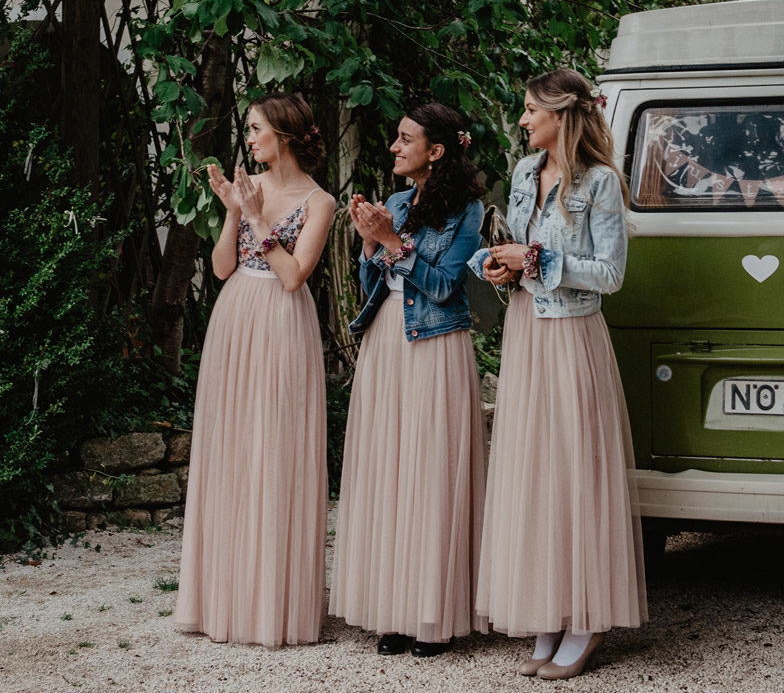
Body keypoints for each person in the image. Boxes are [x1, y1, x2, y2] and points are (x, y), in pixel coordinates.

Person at [471, 68, 648, 679]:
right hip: (526, 332)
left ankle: (588, 618)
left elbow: (610, 275)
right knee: (532, 466)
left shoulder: (600, 184)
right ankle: (547, 604)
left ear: (561, 115)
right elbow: (514, 248)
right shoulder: (523, 174)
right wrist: (502, 266)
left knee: (576, 469)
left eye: (528, 110)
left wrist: (540, 259)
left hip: (573, 337)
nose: (522, 121)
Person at [173, 93, 336, 648]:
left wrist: (261, 216)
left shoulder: (320, 202)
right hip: (236, 317)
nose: (248, 137)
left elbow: (294, 276)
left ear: (285, 136)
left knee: (275, 450)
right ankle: (223, 596)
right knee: (232, 451)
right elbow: (222, 268)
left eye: (256, 127)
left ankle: (272, 603)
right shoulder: (249, 192)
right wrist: (234, 209)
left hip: (282, 322)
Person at [330, 103, 488, 658]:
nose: (395, 147)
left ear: (436, 151)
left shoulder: (469, 211)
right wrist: (370, 242)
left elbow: (446, 286)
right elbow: (370, 276)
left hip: (435, 345)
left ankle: (434, 614)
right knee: (389, 471)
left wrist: (393, 245)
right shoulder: (396, 202)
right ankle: (395, 610)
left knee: (430, 474)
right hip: (386, 344)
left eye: (405, 139)